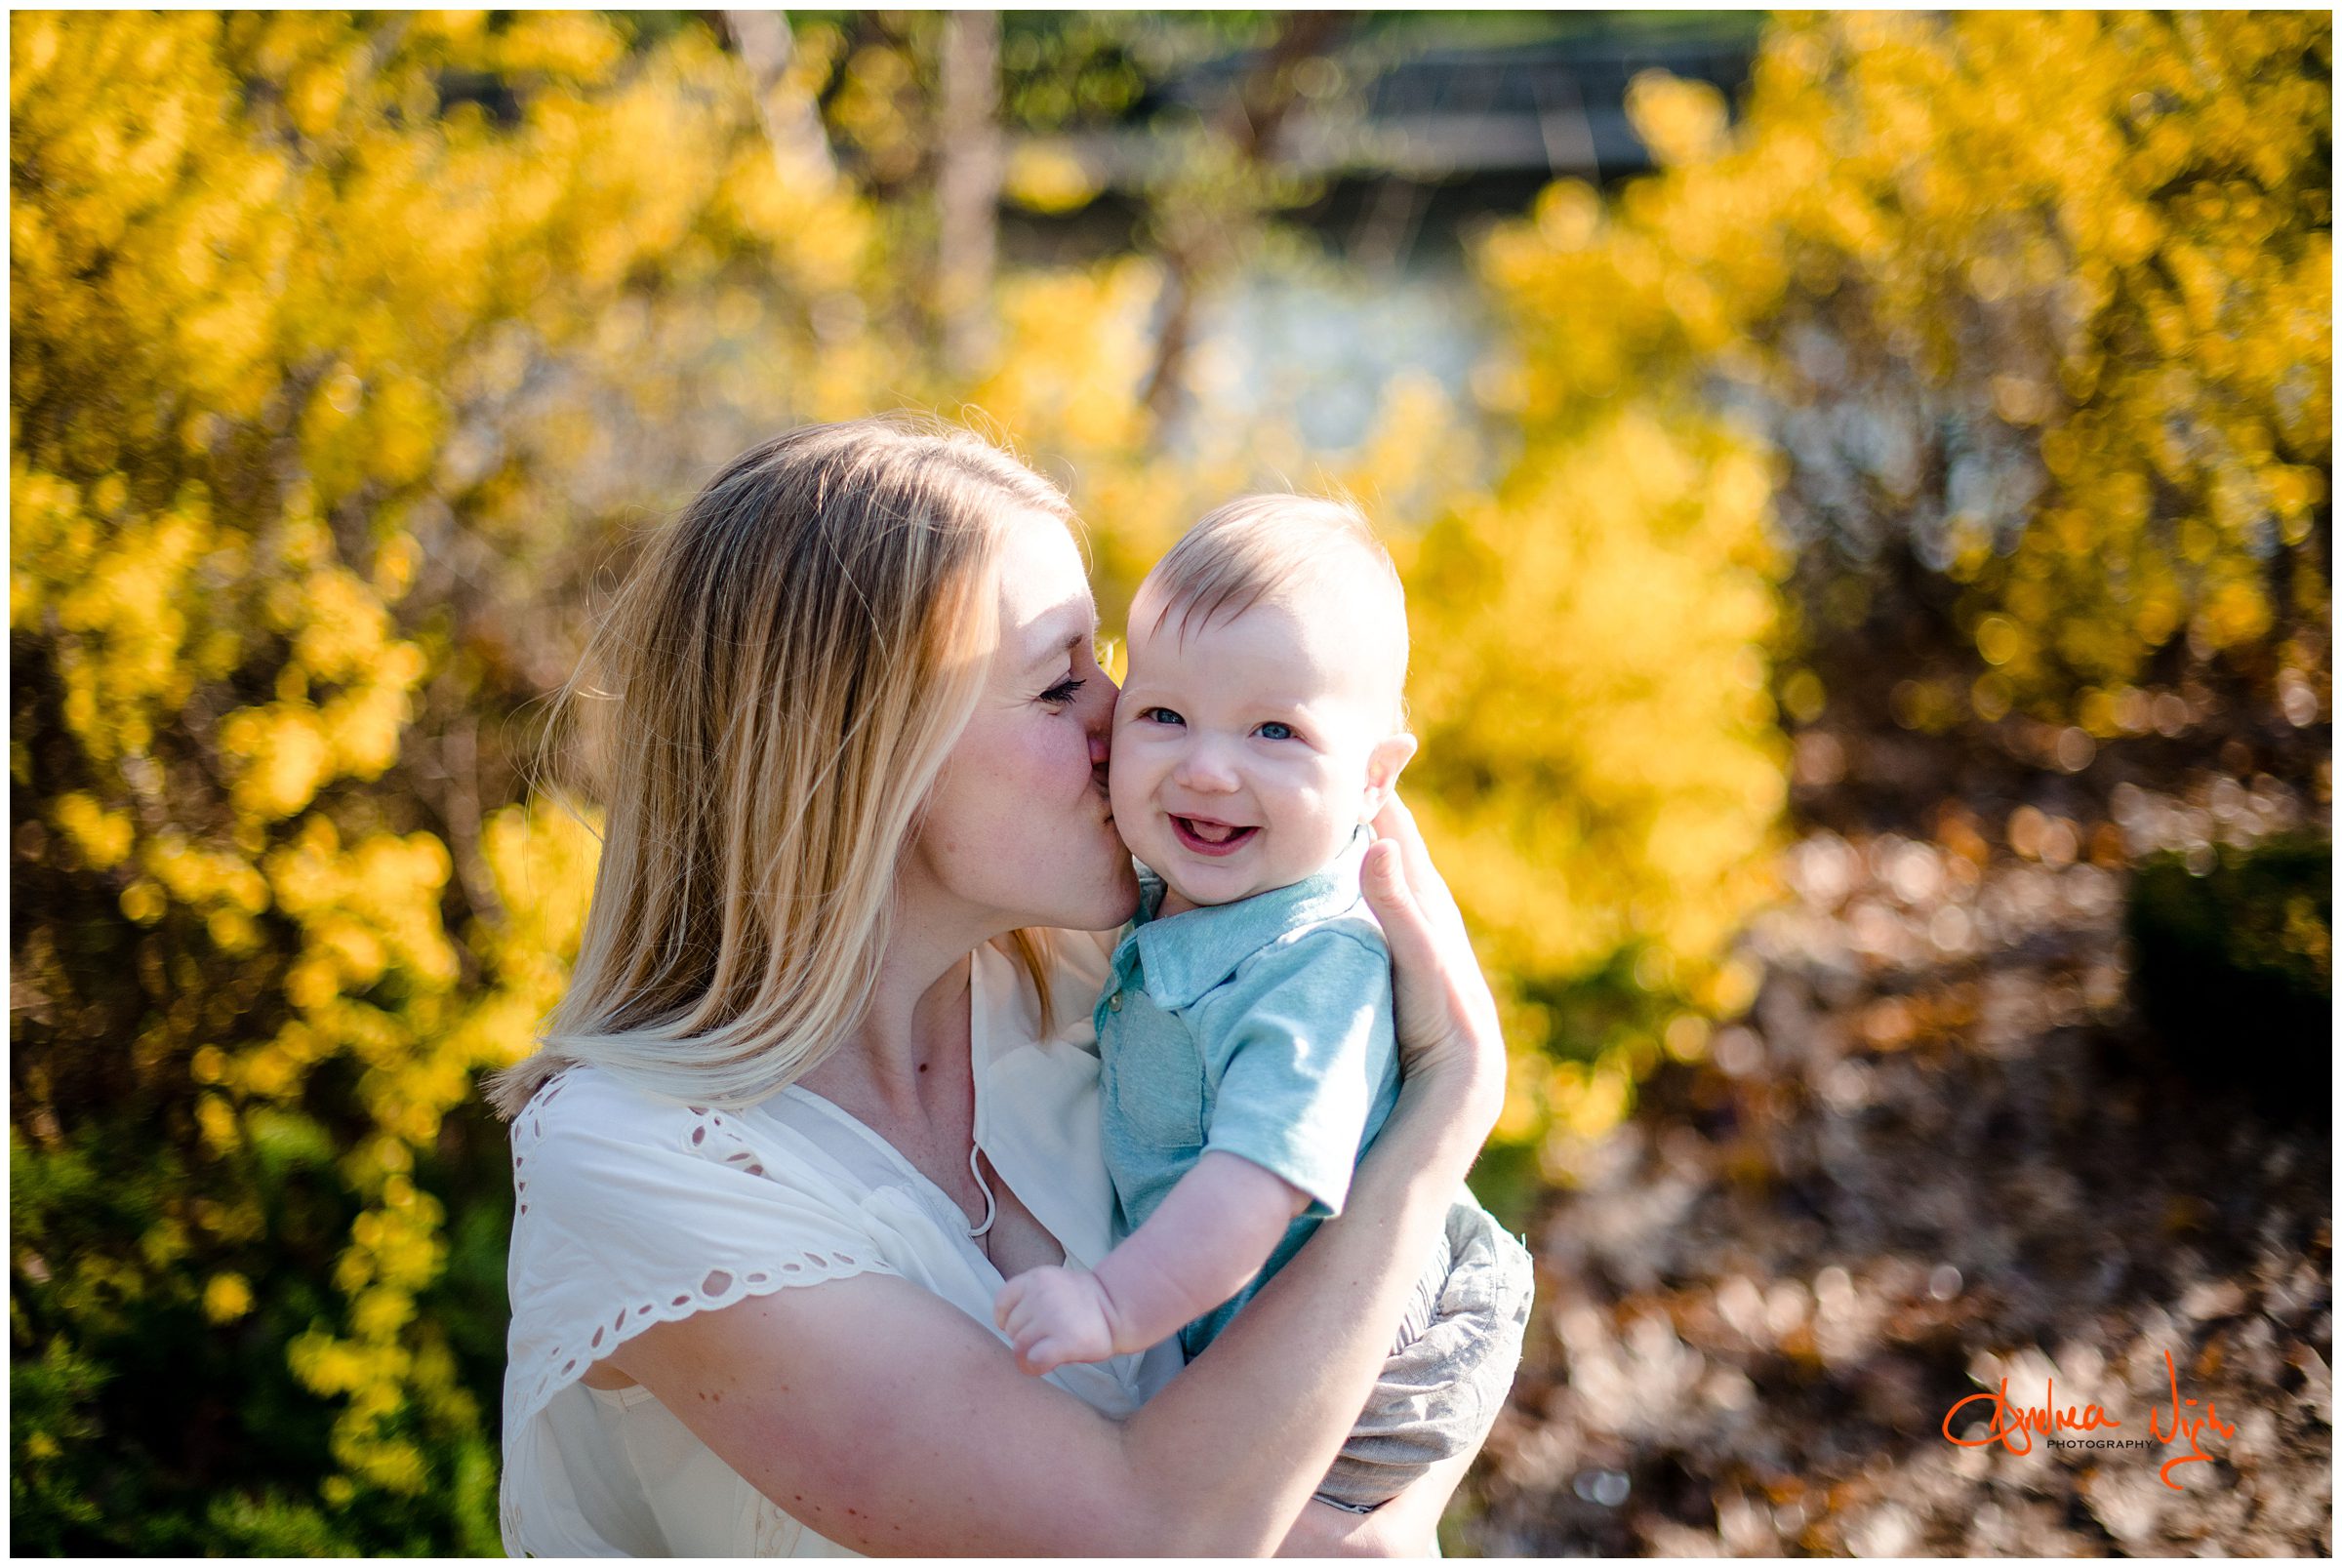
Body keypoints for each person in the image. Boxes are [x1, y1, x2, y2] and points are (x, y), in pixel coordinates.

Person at [491, 418, 1512, 1556]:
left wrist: (1376, 1514)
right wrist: (1445, 1119)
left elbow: (1438, 1323)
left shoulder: (1101, 982)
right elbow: (1148, 1534)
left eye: (1107, 666)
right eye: (1057, 682)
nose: (1118, 718)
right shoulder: (636, 1155)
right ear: (869, 751)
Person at [990, 495, 1531, 1513]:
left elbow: (1259, 1178)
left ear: (1375, 778)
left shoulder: (1311, 963)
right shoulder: (1171, 894)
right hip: (1266, 1314)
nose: (1207, 765)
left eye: (1275, 730)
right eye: (1164, 714)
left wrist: (1113, 1304)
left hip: (1381, 1342)